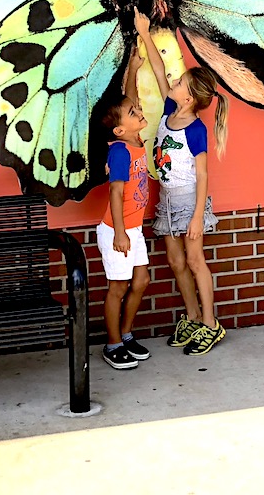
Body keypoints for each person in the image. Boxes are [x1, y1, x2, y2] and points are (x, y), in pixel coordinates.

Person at [135, 12, 228, 356]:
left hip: (189, 202)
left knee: (194, 260)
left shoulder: (195, 129)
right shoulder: (167, 115)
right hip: (167, 200)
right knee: (175, 262)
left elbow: (203, 175)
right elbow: (159, 69)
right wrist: (145, 35)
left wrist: (195, 218)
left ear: (188, 98)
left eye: (178, 84)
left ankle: (210, 323)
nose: (172, 84)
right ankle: (191, 317)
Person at [96, 50, 153, 370]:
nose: (139, 110)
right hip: (117, 231)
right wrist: (119, 233)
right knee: (118, 287)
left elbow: (128, 98)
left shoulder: (134, 140)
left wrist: (132, 67)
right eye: (134, 113)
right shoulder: (119, 153)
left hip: (133, 229)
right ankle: (113, 343)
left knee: (141, 280)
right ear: (119, 130)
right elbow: (116, 193)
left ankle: (127, 334)